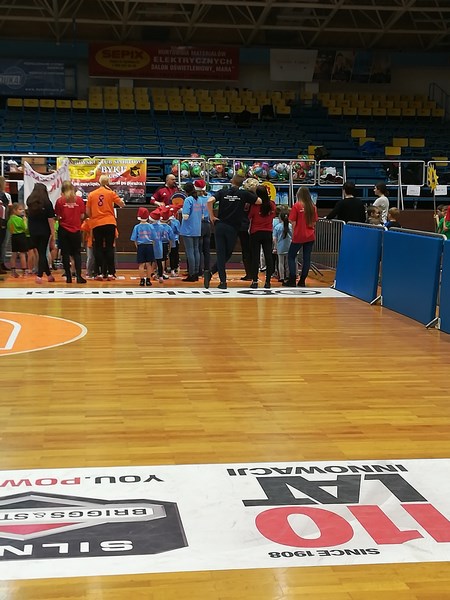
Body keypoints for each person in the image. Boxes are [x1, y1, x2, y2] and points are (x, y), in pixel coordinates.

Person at [204, 175, 259, 290]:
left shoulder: (222, 192)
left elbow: (209, 201)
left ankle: (222, 281)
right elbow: (259, 201)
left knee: (220, 254)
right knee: (227, 254)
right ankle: (212, 272)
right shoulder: (243, 194)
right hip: (232, 227)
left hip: (220, 225)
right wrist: (252, 192)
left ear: (231, 181)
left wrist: (211, 216)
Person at [86, 174, 124, 281]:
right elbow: (122, 204)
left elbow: (88, 211)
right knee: (109, 247)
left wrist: (94, 216)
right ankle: (111, 273)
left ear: (99, 182)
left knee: (98, 248)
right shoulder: (111, 193)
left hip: (96, 223)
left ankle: (98, 273)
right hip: (109, 222)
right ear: (108, 183)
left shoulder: (92, 194)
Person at [283, 186, 318, 287]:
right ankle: (302, 280)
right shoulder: (313, 207)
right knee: (307, 258)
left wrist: (294, 234)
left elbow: (293, 222)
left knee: (291, 256)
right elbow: (314, 222)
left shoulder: (297, 206)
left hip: (299, 235)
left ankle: (292, 279)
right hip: (310, 235)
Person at [55, 181, 86, 284]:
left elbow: (58, 216)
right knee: (77, 253)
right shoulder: (79, 200)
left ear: (62, 190)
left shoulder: (60, 201)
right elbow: (82, 215)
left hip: (64, 229)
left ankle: (68, 277)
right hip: (76, 230)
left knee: (65, 253)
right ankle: (79, 276)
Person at [26, 182, 56, 284]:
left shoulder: (30, 202)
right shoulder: (47, 203)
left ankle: (49, 275)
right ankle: (39, 276)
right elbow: (50, 220)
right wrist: (53, 234)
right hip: (44, 231)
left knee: (40, 252)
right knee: (42, 253)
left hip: (33, 230)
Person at [248, 185, 276, 289]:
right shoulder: (272, 204)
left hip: (255, 232)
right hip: (268, 232)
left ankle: (255, 281)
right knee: (268, 257)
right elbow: (273, 215)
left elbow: (249, 216)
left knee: (255, 258)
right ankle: (268, 282)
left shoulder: (255, 206)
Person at [179, 182, 203, 282]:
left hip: (188, 228)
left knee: (190, 251)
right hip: (197, 228)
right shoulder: (199, 199)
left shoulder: (188, 200)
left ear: (186, 191)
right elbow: (202, 214)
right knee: (196, 250)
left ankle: (191, 274)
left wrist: (180, 210)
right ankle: (196, 272)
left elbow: (185, 216)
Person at [130, 207, 154, 287]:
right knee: (149, 264)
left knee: (141, 264)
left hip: (141, 246)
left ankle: (142, 280)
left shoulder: (136, 227)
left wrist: (137, 247)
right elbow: (154, 238)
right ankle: (148, 280)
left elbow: (134, 239)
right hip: (149, 245)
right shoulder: (151, 226)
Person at [195, 179, 212, 276]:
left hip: (199, 224)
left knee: (198, 248)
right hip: (208, 224)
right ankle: (207, 269)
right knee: (207, 249)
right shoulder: (209, 197)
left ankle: (198, 270)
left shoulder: (195, 199)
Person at [7, 203, 28, 277]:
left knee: (14, 254)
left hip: (13, 236)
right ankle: (24, 271)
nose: (22, 211)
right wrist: (24, 220)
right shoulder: (19, 219)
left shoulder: (10, 220)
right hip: (21, 236)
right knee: (22, 254)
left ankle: (13, 271)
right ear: (14, 210)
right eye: (20, 209)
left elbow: (10, 229)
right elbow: (25, 228)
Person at [273, 211, 293, 282]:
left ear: (280, 218)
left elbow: (274, 238)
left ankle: (281, 277)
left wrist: (275, 247)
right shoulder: (290, 226)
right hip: (289, 246)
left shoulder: (277, 227)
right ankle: (287, 276)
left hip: (280, 247)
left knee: (281, 263)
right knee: (288, 263)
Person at [0, 175, 12, 273]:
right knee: (1, 243)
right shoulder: (2, 195)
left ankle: (2, 262)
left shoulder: (5, 195)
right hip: (2, 221)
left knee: (4, 243)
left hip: (5, 220)